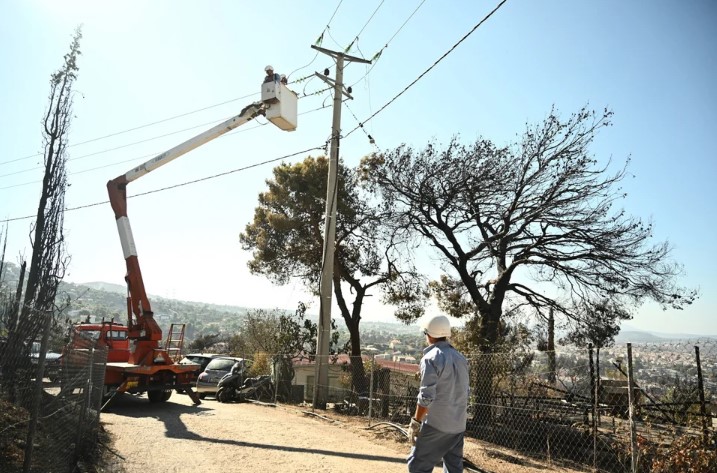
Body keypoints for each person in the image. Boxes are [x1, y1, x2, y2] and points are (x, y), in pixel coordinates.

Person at [407, 315, 470, 473]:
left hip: (436, 425)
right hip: (458, 426)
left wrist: (416, 422)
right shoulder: (461, 358)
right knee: (453, 469)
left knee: (417, 467)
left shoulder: (430, 358)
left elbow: (426, 396)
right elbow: (464, 391)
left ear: (429, 334)